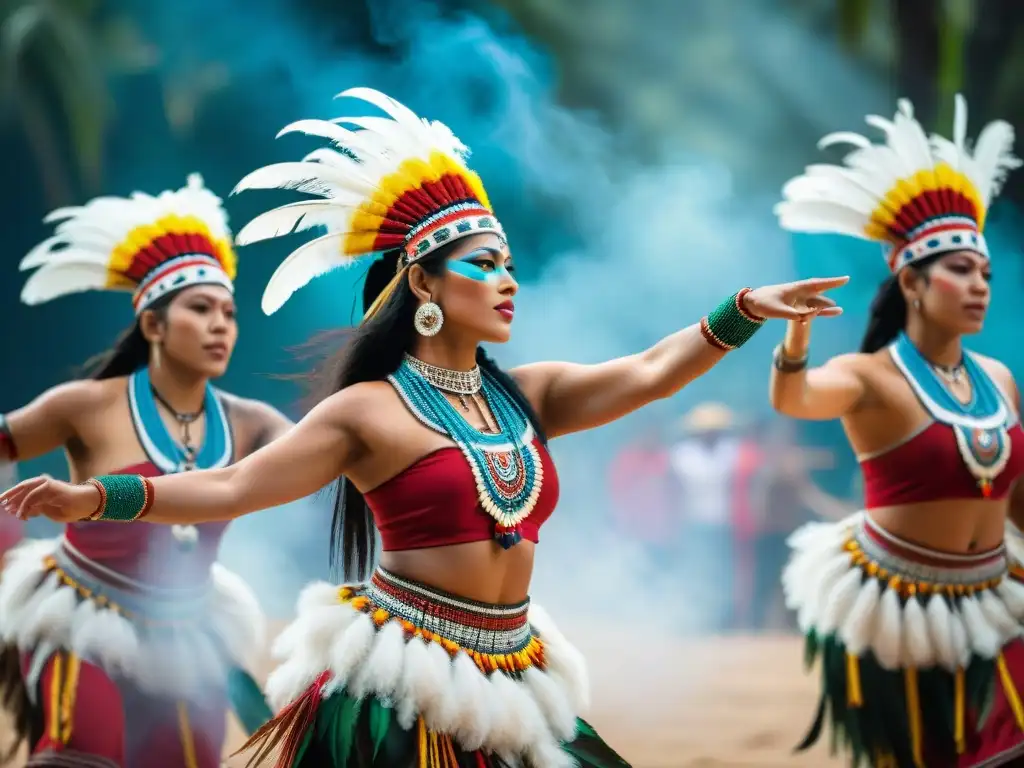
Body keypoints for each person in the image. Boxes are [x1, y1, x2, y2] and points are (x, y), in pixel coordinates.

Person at [0, 87, 847, 768]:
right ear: (426, 285)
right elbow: (229, 487)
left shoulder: (532, 392)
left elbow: (653, 372)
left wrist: (740, 313)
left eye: (511, 264)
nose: (508, 279)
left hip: (515, 668)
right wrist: (98, 497)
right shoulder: (369, 410)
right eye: (485, 263)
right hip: (402, 690)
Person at [0, 174, 293, 767]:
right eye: (201, 308)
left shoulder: (254, 425)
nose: (220, 325)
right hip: (80, 619)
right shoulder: (85, 405)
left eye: (230, 314)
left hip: (189, 630)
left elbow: (342, 456)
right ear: (154, 326)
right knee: (82, 754)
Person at [771, 94, 1024, 766]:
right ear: (912, 282)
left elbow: (1014, 492)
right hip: (903, 610)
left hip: (999, 591)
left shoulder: (998, 378)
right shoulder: (868, 376)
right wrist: (796, 339)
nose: (980, 286)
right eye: (961, 270)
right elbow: (794, 399)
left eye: (987, 273)